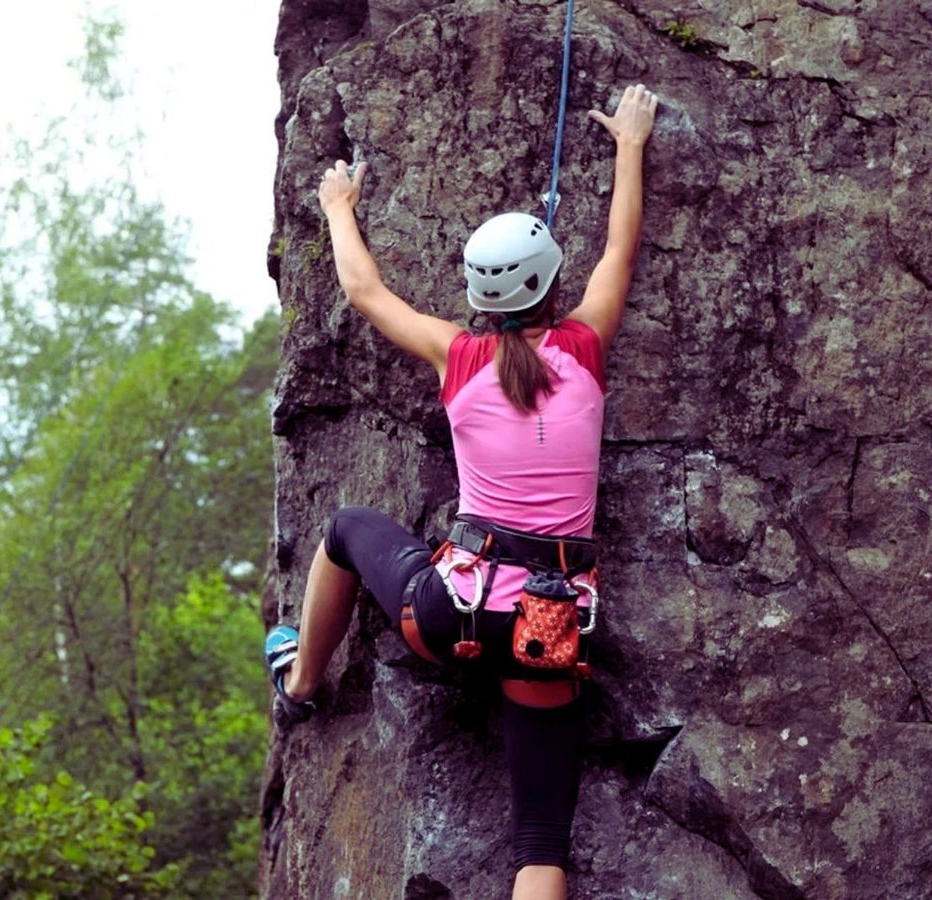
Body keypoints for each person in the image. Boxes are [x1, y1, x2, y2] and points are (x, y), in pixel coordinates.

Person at [265, 83, 658, 900]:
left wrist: (340, 205)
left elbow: (366, 292)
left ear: (477, 297)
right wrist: (628, 144)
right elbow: (621, 250)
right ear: (553, 286)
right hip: (547, 628)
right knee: (541, 842)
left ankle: (302, 682)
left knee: (344, 531)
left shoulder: (460, 358)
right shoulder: (585, 348)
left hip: (454, 612)